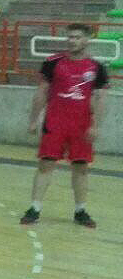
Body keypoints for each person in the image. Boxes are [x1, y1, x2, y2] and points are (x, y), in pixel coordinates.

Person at [21, 24, 107, 228]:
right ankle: (34, 208)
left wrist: (95, 125)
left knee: (81, 168)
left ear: (87, 40)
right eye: (70, 37)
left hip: (81, 126)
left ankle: (80, 211)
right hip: (55, 123)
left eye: (77, 37)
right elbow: (41, 93)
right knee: (45, 165)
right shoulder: (53, 62)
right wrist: (34, 119)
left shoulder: (97, 67)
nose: (72, 41)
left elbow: (100, 98)